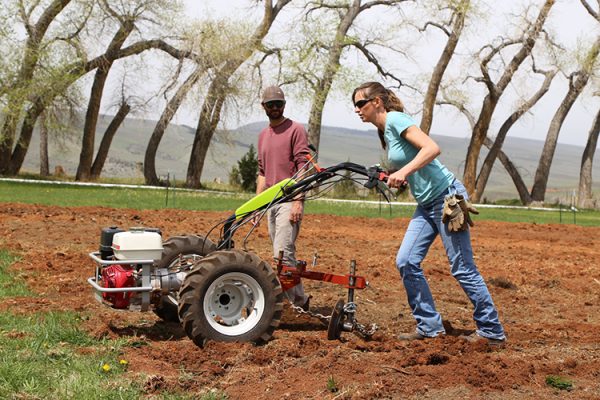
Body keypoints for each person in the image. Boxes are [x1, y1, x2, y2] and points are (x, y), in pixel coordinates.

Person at [351, 81, 506, 345]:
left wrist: (403, 172)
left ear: (377, 101)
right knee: (406, 261)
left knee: (462, 268)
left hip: (447, 199)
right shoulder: (385, 131)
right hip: (426, 205)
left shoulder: (396, 120)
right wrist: (389, 175)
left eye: (360, 103)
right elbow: (410, 165)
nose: (357, 110)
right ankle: (430, 327)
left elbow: (432, 149)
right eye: (354, 106)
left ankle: (491, 331)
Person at [256, 85, 310, 311]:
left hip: (289, 200)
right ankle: (301, 301)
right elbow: (262, 172)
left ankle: (292, 305)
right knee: (282, 253)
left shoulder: (295, 130)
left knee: (282, 252)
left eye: (279, 104)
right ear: (264, 107)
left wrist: (298, 200)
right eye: (271, 105)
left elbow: (302, 166)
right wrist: (257, 206)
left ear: (284, 105)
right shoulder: (262, 136)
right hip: (270, 202)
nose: (275, 108)